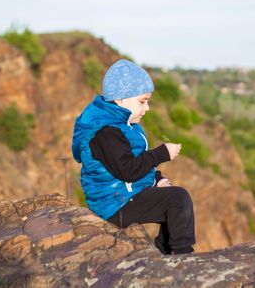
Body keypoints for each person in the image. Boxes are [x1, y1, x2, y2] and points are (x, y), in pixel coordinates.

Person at [72, 59, 196, 254]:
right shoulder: (106, 133)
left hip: (124, 195)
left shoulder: (126, 127)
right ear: (122, 100)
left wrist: (157, 179)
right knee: (177, 199)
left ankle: (166, 252)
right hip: (113, 205)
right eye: (142, 101)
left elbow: (135, 161)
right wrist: (161, 153)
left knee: (170, 196)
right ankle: (181, 255)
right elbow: (128, 170)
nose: (146, 108)